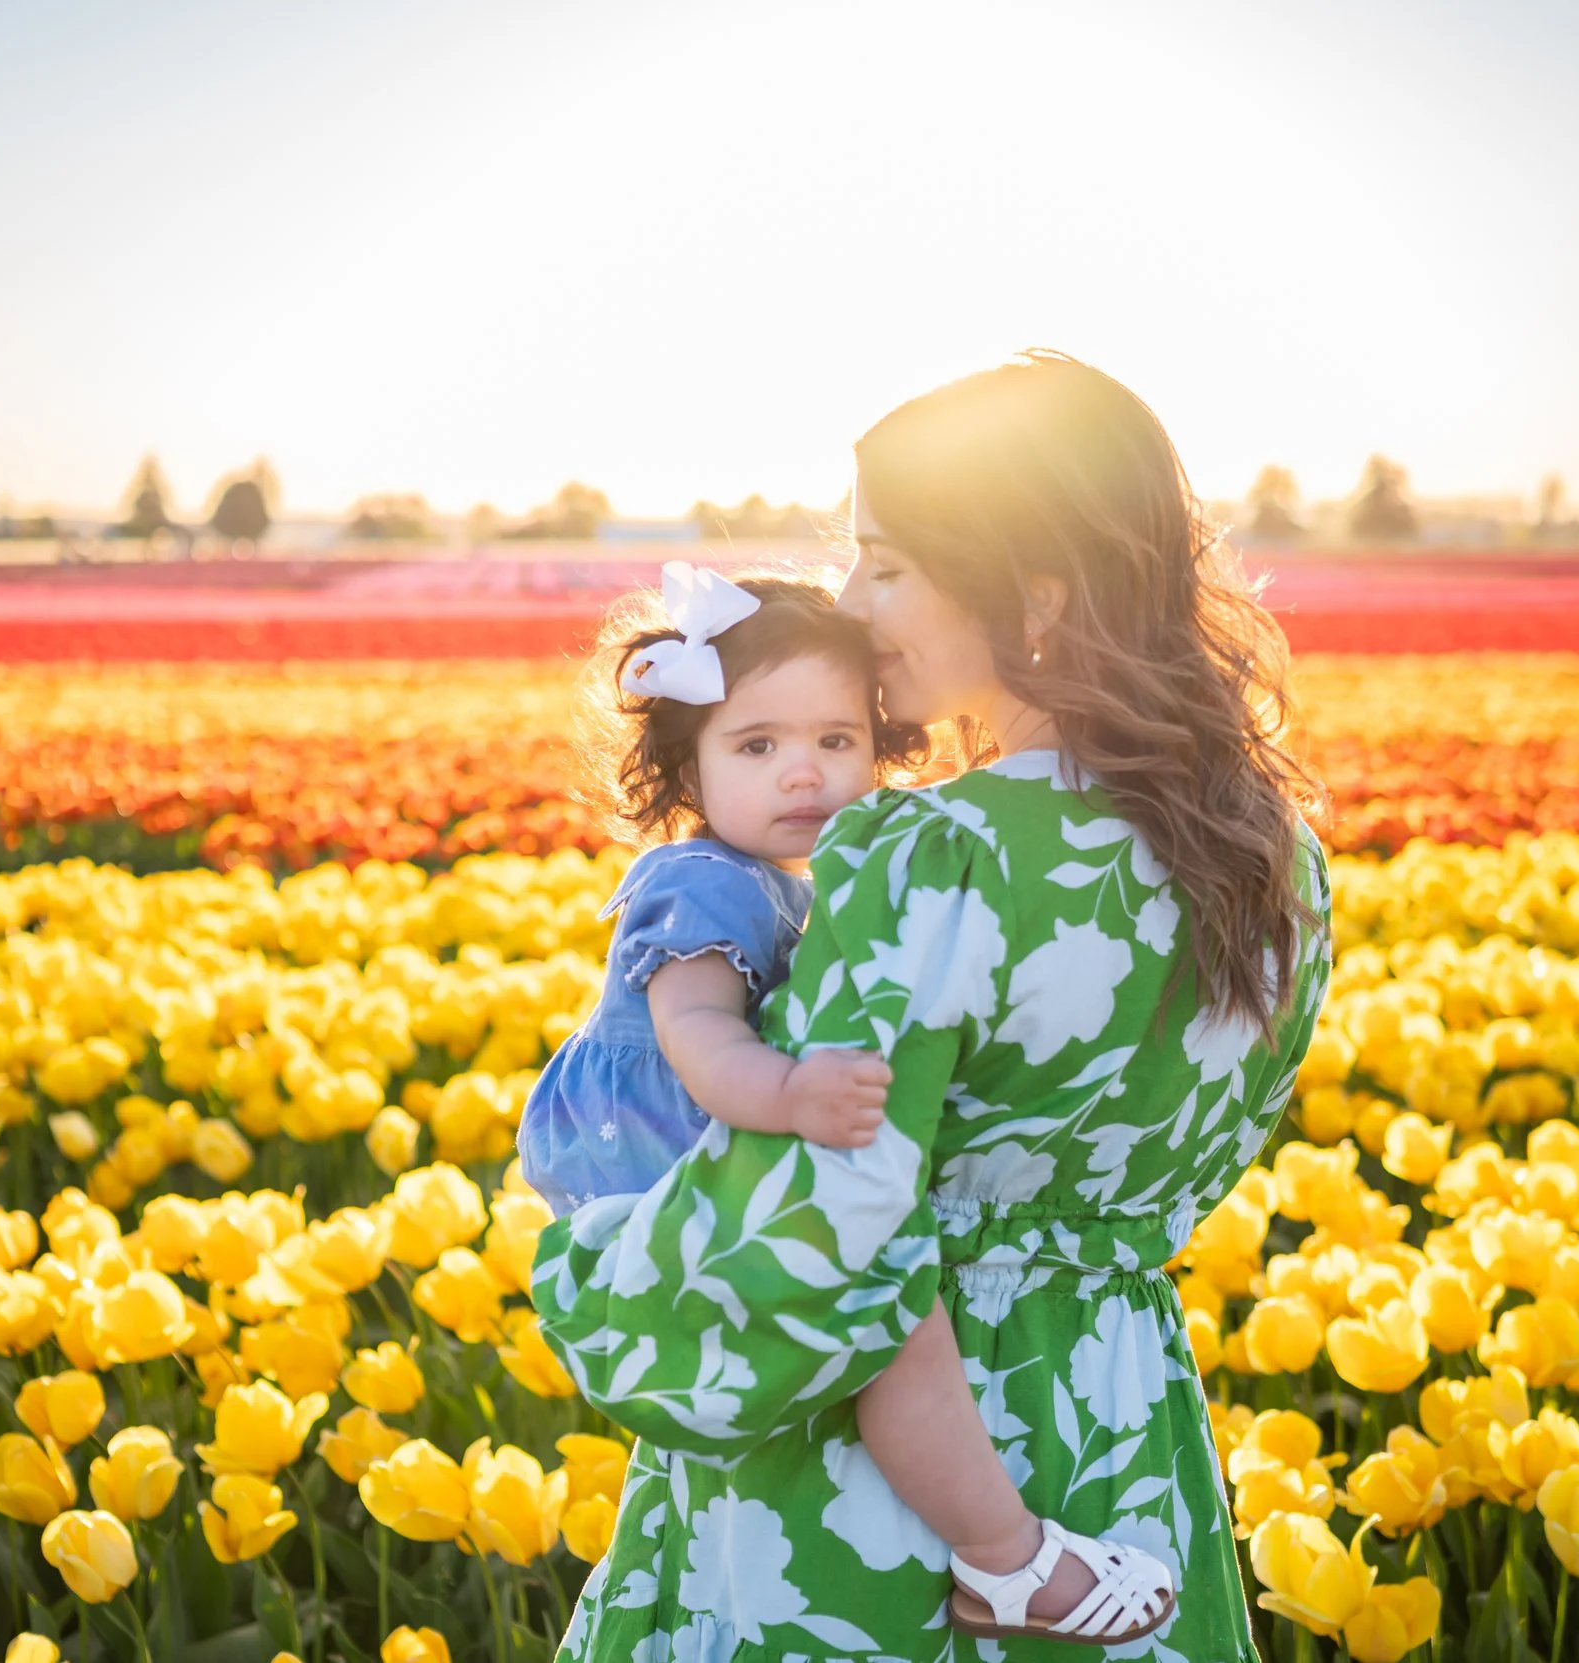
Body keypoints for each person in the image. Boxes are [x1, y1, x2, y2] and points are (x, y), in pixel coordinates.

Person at [532, 351, 1334, 1660]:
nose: (850, 601)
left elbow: (825, 1219)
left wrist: (593, 1269)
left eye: (890, 564)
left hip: (874, 1487)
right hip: (1116, 1412)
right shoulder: (1271, 855)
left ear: (1035, 593)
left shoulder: (928, 857)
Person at [519, 560, 1172, 1643]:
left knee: (873, 1298)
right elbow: (695, 1036)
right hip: (651, 1167)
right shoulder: (701, 882)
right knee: (890, 1311)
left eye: (836, 740)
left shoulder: (809, 878)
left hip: (717, 1162)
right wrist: (789, 1091)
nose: (802, 774)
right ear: (689, 767)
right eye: (757, 745)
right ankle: (1005, 1558)